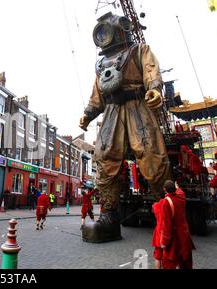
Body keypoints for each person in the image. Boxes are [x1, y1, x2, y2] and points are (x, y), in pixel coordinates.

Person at [79, 12, 170, 243]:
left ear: (122, 28)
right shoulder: (100, 63)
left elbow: (151, 71)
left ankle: (169, 214)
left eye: (106, 31)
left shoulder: (139, 50)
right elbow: (97, 95)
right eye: (100, 32)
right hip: (111, 110)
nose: (104, 35)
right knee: (104, 156)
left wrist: (155, 89)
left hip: (137, 104)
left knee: (151, 153)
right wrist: (88, 114)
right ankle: (109, 218)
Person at [152, 180, 194, 269]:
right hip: (184, 234)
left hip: (174, 237)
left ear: (164, 189)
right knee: (184, 260)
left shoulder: (165, 203)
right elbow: (180, 191)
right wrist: (177, 186)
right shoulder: (181, 197)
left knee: (169, 262)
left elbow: (166, 224)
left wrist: (164, 241)